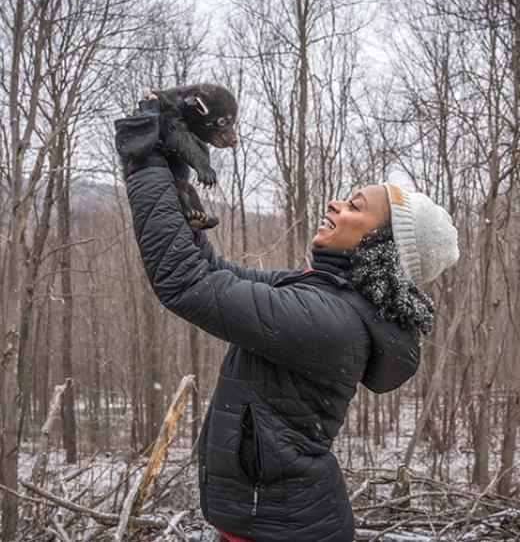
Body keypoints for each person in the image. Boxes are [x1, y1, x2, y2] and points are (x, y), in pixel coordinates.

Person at [116, 99, 459, 542]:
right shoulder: (319, 291)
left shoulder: (330, 320)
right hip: (272, 522)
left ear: (380, 244)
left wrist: (143, 163)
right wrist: (173, 171)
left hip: (288, 528)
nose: (336, 204)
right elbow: (213, 272)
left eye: (354, 206)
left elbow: (185, 283)